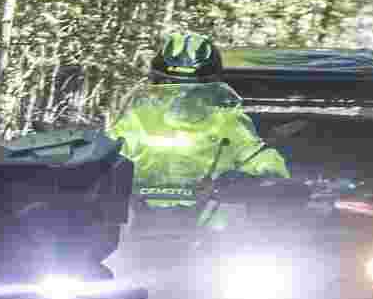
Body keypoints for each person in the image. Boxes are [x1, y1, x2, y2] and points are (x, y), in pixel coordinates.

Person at [106, 77, 288, 205]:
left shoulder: (228, 122)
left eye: (196, 83)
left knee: (239, 232)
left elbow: (257, 155)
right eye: (171, 82)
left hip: (213, 214)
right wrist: (99, 168)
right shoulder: (138, 118)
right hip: (133, 211)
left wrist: (256, 176)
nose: (182, 92)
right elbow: (109, 150)